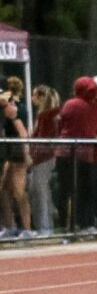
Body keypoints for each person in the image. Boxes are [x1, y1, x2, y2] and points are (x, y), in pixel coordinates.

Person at [57, 77, 97, 232]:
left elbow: (61, 123)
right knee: (85, 191)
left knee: (67, 190)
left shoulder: (71, 104)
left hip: (66, 153)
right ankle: (85, 224)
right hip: (87, 154)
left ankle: (68, 225)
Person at [28, 86, 61, 235]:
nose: (32, 98)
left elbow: (42, 139)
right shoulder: (51, 115)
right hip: (46, 157)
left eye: (34, 95)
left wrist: (32, 155)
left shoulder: (45, 116)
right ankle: (46, 225)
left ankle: (45, 226)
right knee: (40, 190)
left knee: (40, 191)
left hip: (43, 158)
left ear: (41, 98)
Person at [0, 93, 32, 237]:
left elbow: (23, 133)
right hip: (9, 152)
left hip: (17, 152)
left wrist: (26, 154)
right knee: (4, 190)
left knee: (19, 191)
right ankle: (10, 226)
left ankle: (27, 229)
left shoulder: (14, 110)